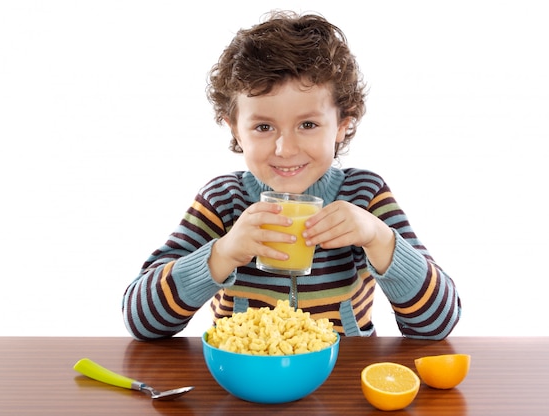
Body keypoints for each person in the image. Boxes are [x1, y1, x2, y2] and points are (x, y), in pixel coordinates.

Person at [122, 10, 461, 341]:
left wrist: (378, 238)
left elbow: (438, 324)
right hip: (247, 381)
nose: (285, 148)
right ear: (236, 131)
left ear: (342, 125)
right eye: (264, 126)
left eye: (308, 125)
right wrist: (222, 254)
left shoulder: (365, 195)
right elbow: (141, 320)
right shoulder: (223, 200)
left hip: (340, 381)